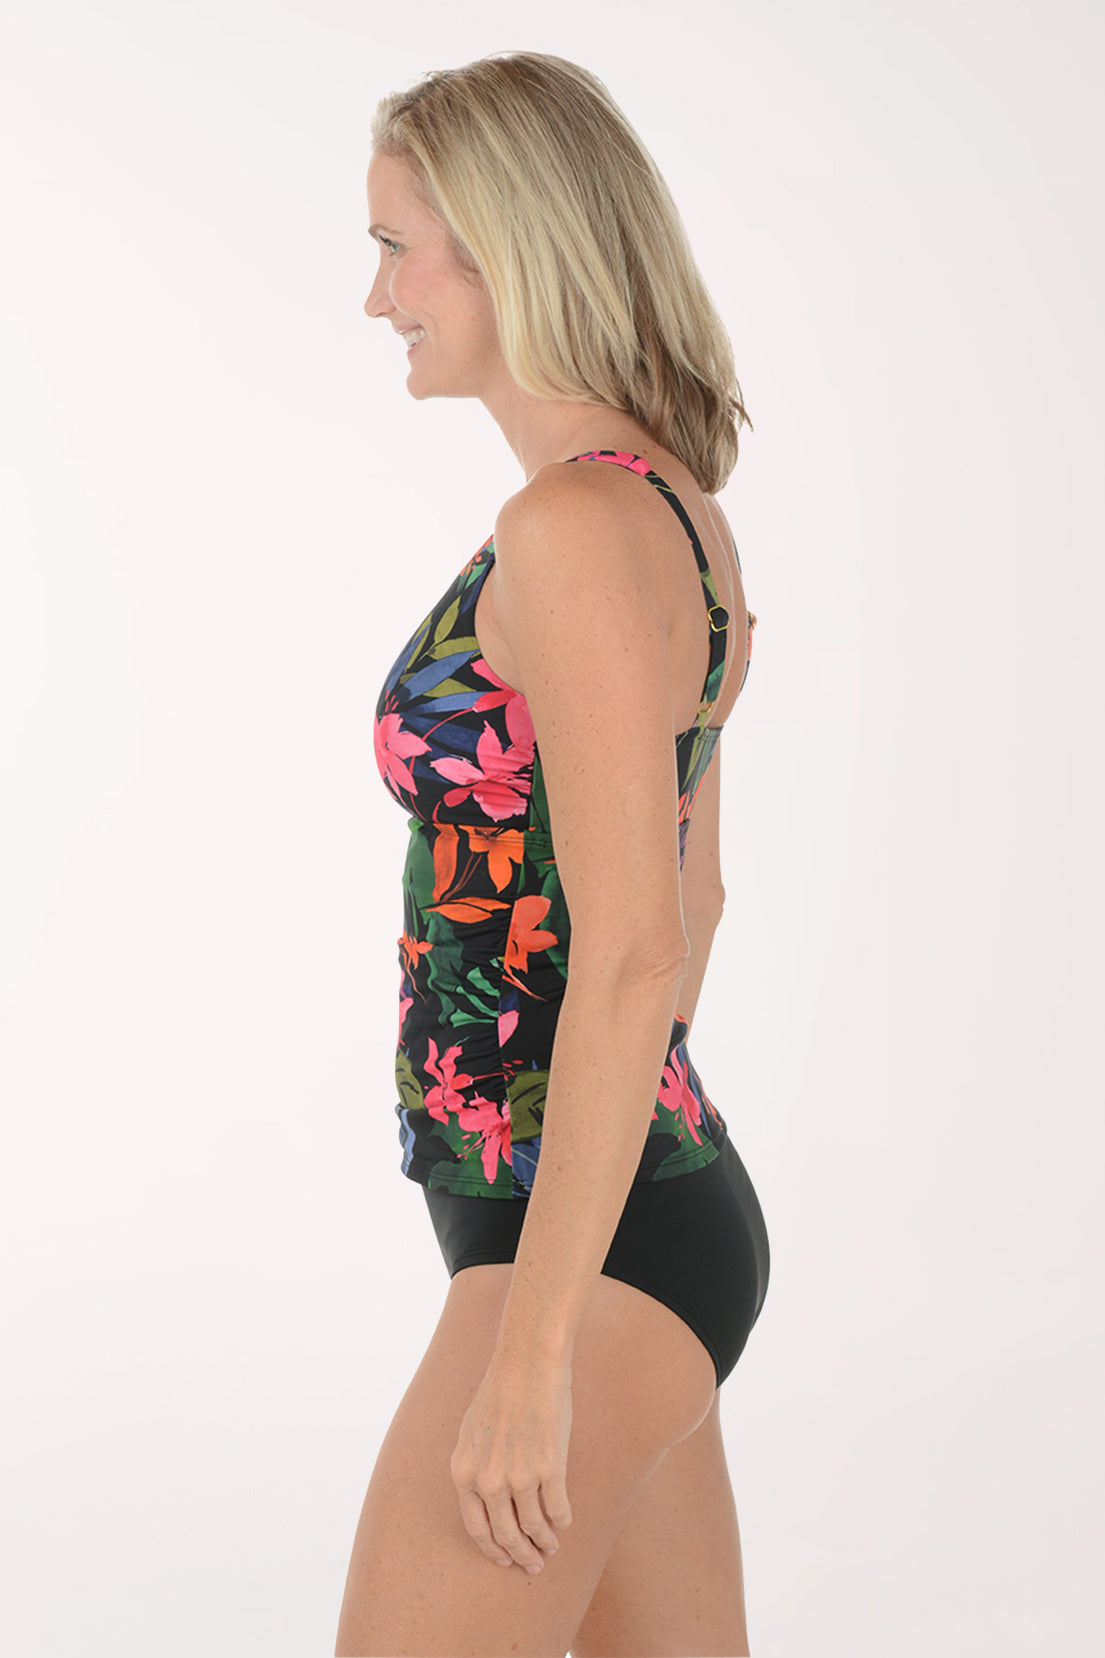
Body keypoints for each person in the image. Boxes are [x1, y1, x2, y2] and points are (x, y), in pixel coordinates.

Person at [335, 52, 770, 1658]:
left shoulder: (569, 533)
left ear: (506, 255)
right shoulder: (669, 510)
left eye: (396, 248)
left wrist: (537, 1349)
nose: (376, 296)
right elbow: (696, 889)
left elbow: (642, 944)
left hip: (576, 1248)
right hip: (635, 1215)